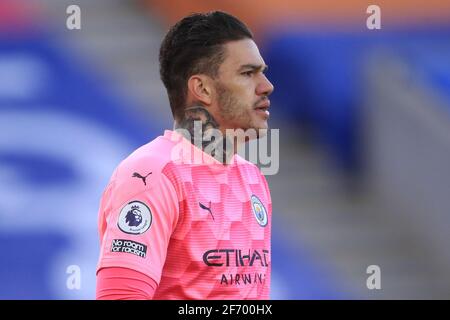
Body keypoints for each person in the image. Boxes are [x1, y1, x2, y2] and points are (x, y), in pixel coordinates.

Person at [96, 10, 274, 300]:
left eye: (262, 72)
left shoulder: (251, 178)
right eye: (247, 73)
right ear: (202, 88)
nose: (266, 86)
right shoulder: (152, 175)